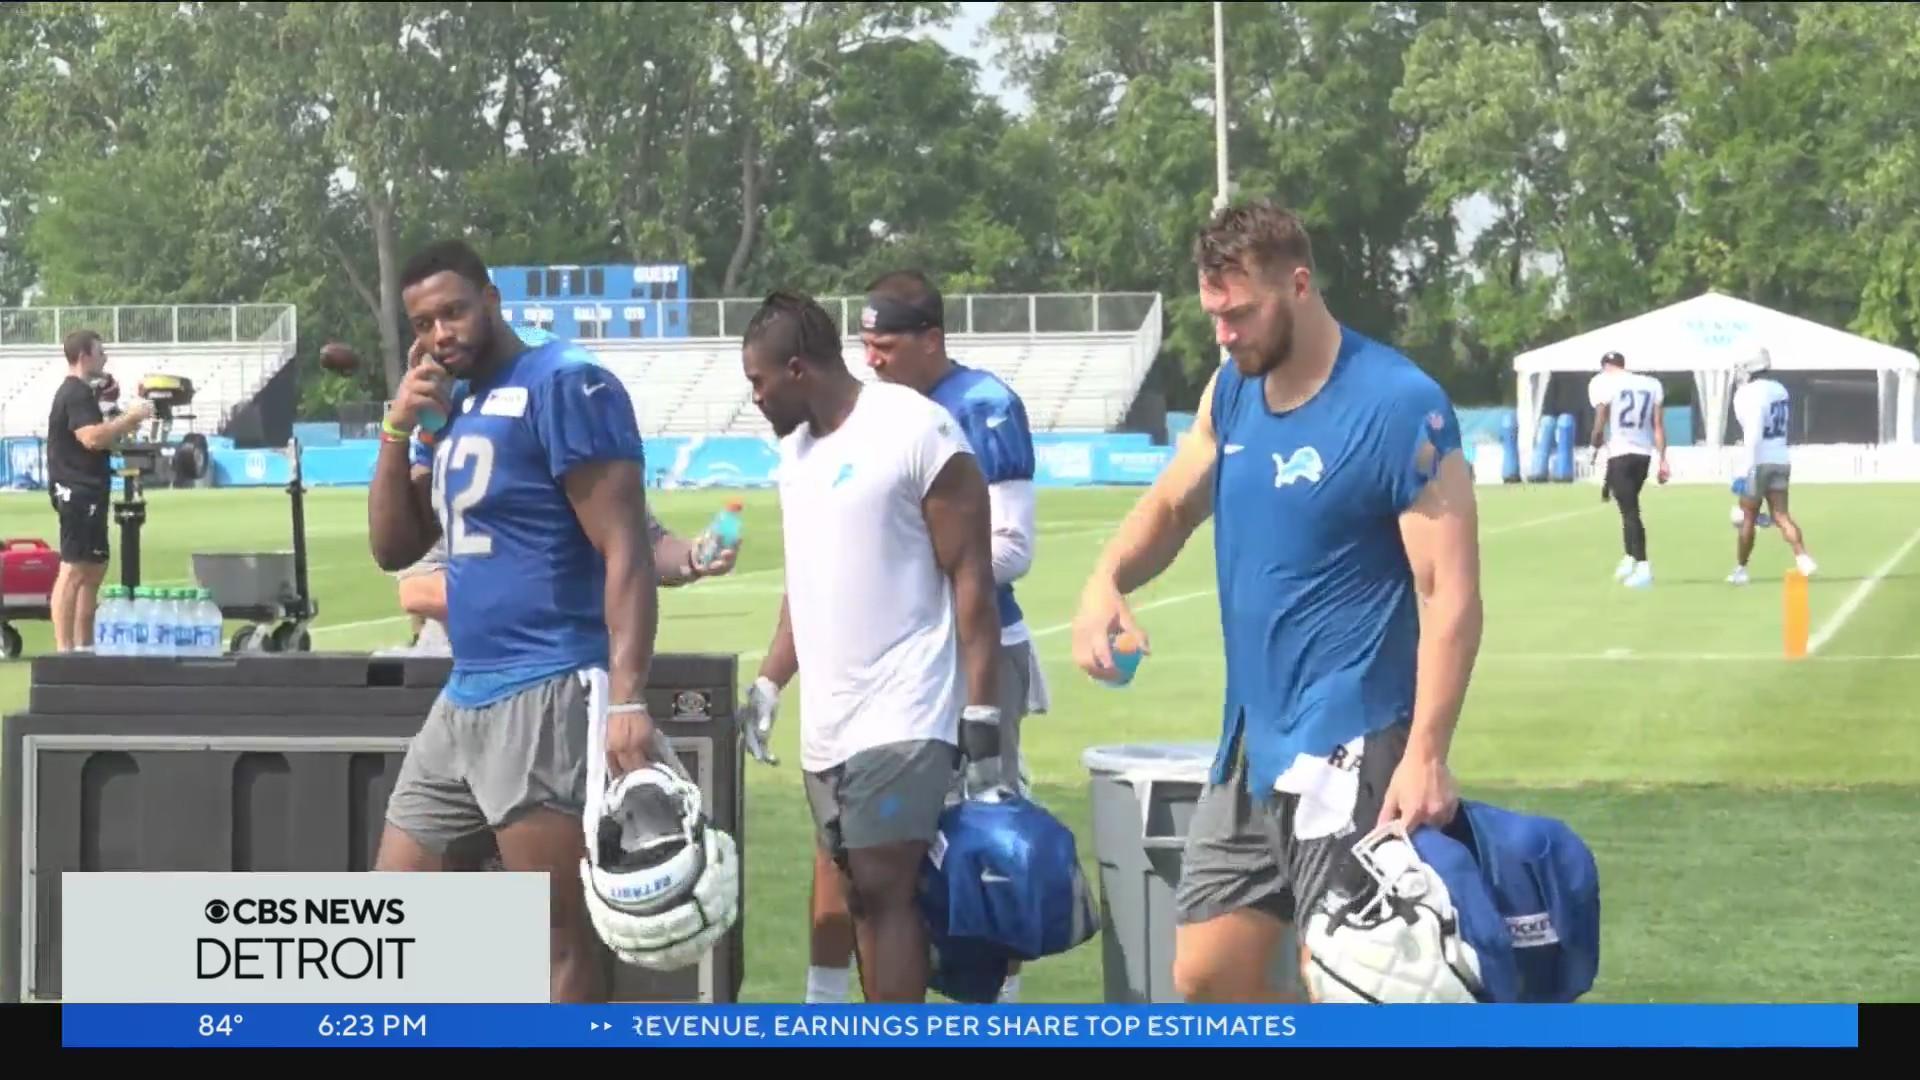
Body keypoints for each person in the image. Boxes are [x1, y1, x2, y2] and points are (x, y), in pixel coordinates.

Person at [1068, 200, 1483, 1003]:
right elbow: (1173, 504)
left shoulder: (1401, 405)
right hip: (1251, 743)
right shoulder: (1232, 392)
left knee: (1351, 977)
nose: (1223, 333)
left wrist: (1427, 751)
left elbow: (1450, 595)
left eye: (1240, 313)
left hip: (1353, 742)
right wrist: (1104, 579)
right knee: (1206, 977)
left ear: (1298, 285)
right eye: (1214, 313)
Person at [367, 239, 662, 1003]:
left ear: (492, 299)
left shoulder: (565, 383)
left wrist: (627, 696)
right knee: (391, 916)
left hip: (548, 683)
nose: (440, 334)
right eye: (424, 323)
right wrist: (396, 433)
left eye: (455, 311)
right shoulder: (455, 404)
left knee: (556, 937)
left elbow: (624, 549)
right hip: (465, 692)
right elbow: (393, 545)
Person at [780, 269, 1045, 1005]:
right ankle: (825, 1004)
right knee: (849, 854)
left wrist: (899, 554)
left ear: (933, 339)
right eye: (865, 343)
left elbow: (1012, 547)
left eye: (888, 344)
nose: (875, 359)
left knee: (981, 840)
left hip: (970, 651)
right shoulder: (851, 418)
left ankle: (994, 1010)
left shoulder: (983, 407)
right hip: (877, 664)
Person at [392, 506, 739, 656]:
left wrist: (693, 558)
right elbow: (417, 589)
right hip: (464, 677)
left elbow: (648, 547)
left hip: (574, 676)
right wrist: (547, 595)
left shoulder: (598, 468)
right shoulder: (472, 461)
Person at [45, 329, 152, 652]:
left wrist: (123, 426)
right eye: (100, 351)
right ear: (84, 355)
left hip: (91, 487)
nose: (105, 358)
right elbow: (90, 437)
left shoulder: (83, 394)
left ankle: (84, 647)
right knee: (75, 567)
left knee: (94, 567)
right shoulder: (75, 392)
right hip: (75, 490)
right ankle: (65, 650)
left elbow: (99, 439)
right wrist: (129, 418)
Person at [1728, 348, 1816, 585]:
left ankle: (1741, 569)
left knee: (1746, 517)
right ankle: (1803, 557)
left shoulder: (1748, 393)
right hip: (1780, 457)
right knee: (1781, 514)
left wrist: (1743, 470)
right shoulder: (1779, 389)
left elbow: (1754, 433)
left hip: (1759, 460)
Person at [1587, 350, 1669, 588]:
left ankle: (1643, 565)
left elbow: (1601, 417)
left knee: (1630, 510)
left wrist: (1593, 446)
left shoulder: (1605, 383)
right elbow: (1658, 426)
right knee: (1627, 507)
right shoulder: (1650, 384)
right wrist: (1663, 458)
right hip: (1643, 455)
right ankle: (1630, 557)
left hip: (1621, 453)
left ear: (1605, 366)